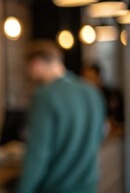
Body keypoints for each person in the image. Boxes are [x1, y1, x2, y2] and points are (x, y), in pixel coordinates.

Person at [17, 40, 105, 193]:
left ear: (36, 64)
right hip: (88, 186)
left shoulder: (44, 96)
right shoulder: (92, 92)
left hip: (57, 188)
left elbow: (37, 155)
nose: (28, 74)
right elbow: (99, 136)